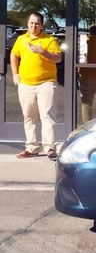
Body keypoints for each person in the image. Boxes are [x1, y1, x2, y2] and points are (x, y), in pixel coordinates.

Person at [10, 12, 62, 161]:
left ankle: (50, 147)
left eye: (37, 23)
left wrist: (43, 52)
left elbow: (58, 58)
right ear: (28, 24)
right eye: (31, 23)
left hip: (46, 83)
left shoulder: (49, 40)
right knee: (29, 116)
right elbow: (14, 55)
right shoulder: (21, 39)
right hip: (26, 84)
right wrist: (15, 74)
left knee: (47, 116)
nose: (34, 26)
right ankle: (31, 147)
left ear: (42, 25)